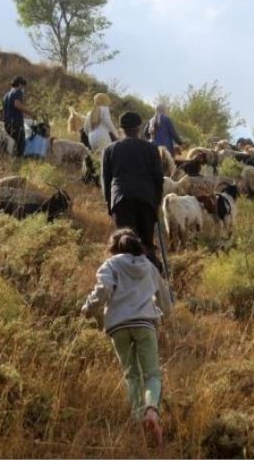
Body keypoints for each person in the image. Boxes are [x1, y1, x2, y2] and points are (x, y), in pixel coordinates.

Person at [81, 229, 172, 446]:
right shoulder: (149, 266)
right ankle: (152, 412)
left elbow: (102, 291)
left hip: (118, 326)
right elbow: (165, 302)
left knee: (131, 375)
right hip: (145, 324)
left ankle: (137, 418)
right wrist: (160, 314)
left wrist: (87, 309)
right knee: (152, 375)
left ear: (113, 248)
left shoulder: (110, 265)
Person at [102, 112, 164, 267]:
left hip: (121, 200)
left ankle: (128, 283)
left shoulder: (110, 150)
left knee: (125, 245)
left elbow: (106, 181)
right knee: (147, 243)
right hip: (146, 199)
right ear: (139, 128)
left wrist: (110, 205)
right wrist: (156, 203)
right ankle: (152, 282)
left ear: (121, 129)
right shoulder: (151, 149)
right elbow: (158, 179)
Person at [2, 76, 36, 158]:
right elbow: (17, 104)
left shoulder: (6, 95)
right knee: (21, 144)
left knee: (15, 143)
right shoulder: (18, 92)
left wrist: (24, 114)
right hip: (16, 123)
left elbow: (11, 109)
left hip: (7, 122)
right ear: (20, 85)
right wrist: (31, 112)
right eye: (24, 86)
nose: (23, 89)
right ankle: (19, 162)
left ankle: (13, 159)